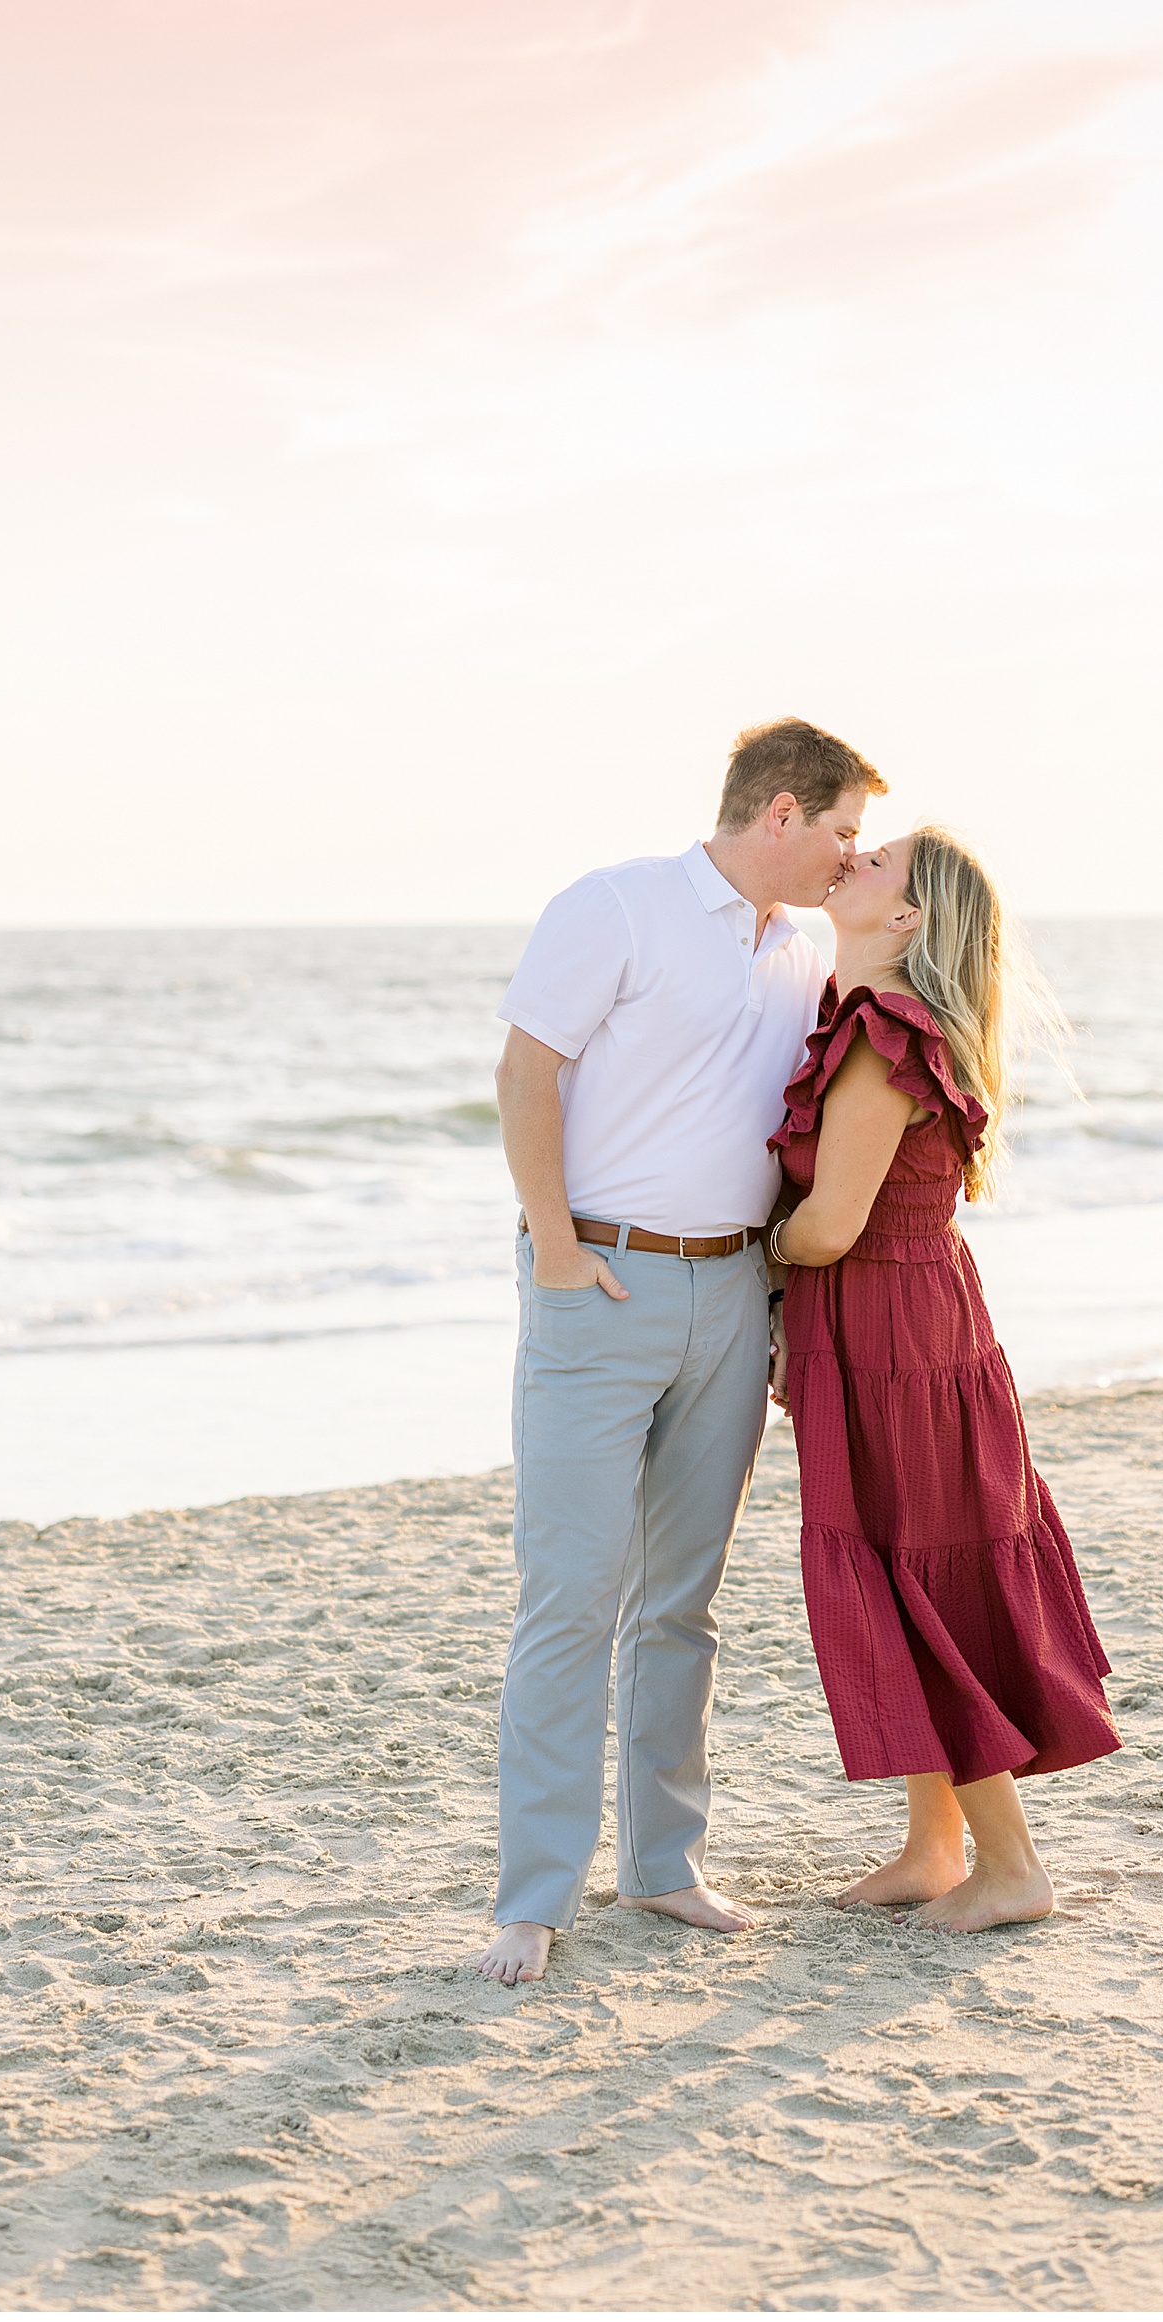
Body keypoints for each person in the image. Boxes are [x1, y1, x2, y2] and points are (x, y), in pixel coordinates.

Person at [472, 718, 889, 1988]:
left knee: (679, 1604)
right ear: (780, 809)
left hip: (733, 1294)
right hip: (599, 1281)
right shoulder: (618, 906)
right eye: (842, 832)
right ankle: (535, 1894)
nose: (846, 856)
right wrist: (553, 1242)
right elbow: (524, 1070)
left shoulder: (802, 950)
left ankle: (663, 1865)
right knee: (570, 1598)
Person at [766, 825, 1121, 1933]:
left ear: (908, 917)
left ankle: (1011, 1864)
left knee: (922, 1573)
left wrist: (733, 1250)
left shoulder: (881, 1038)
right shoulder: (863, 1018)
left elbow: (829, 1224)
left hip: (896, 1332)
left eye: (879, 862)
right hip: (902, 1320)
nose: (854, 856)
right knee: (892, 1557)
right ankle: (935, 1845)